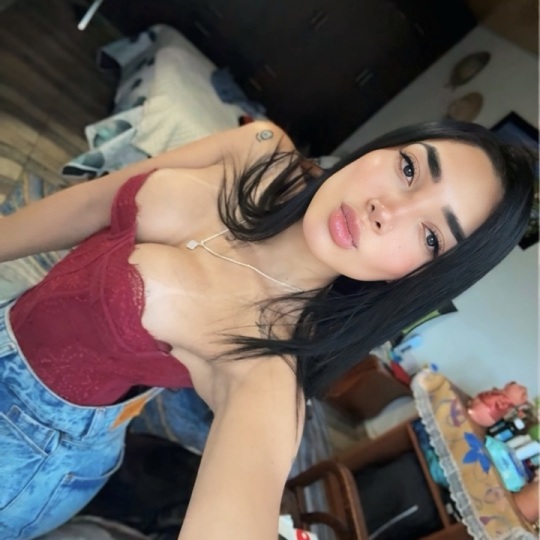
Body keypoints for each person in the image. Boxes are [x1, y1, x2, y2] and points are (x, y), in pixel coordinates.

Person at [0, 119, 534, 540]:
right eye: (410, 168)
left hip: (23, 459)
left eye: (431, 237)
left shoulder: (267, 372)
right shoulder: (259, 147)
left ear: (418, 277)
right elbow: (92, 203)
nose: (387, 210)